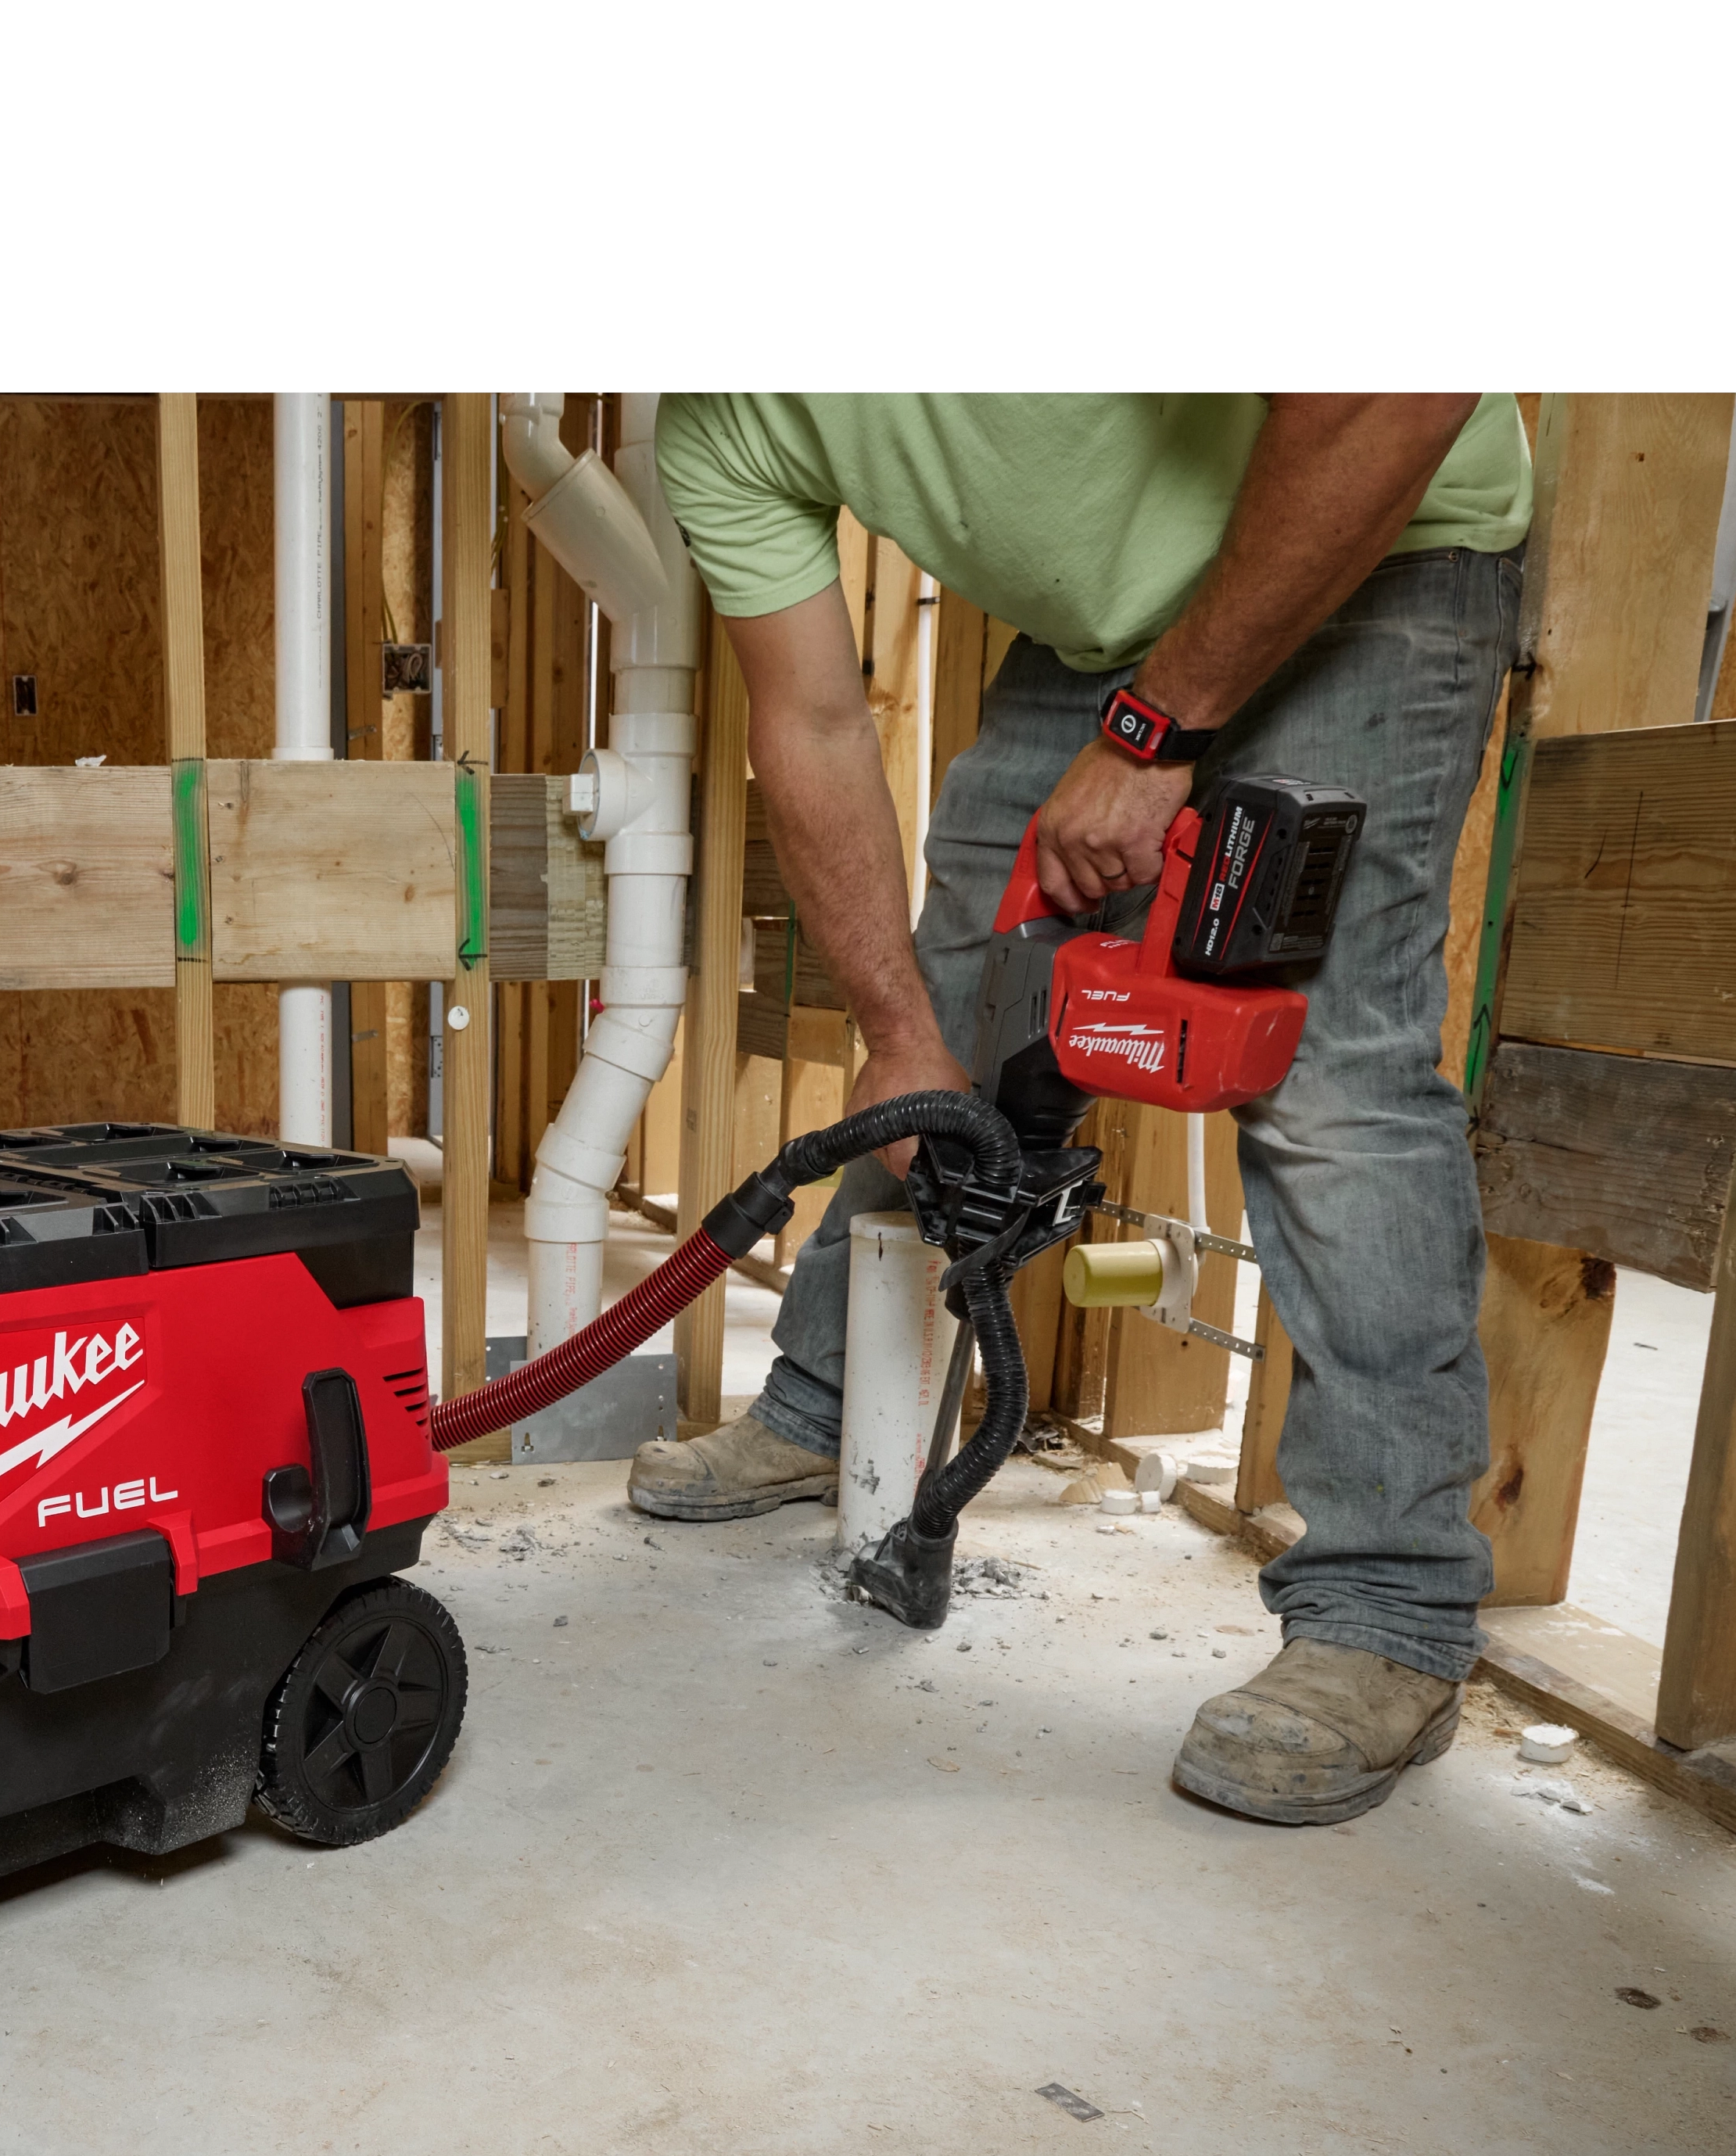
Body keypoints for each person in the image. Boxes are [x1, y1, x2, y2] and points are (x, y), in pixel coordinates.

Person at [631, 393, 1530, 1825]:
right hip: (1093, 639)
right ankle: (834, 1404)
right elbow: (808, 719)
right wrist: (896, 1037)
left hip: (1374, 546)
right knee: (949, 1032)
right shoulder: (720, 424)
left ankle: (1389, 1615)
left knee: (1326, 1075)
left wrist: (1154, 732)